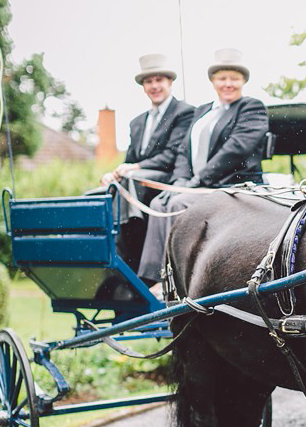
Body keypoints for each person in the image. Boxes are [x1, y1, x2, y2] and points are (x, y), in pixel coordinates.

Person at [137, 48, 269, 291]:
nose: (228, 83)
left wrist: (197, 180)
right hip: (198, 186)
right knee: (158, 204)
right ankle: (154, 277)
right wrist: (179, 181)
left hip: (231, 185)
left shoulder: (251, 108)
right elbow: (183, 152)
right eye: (222, 78)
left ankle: (176, 279)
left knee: (178, 204)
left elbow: (235, 150)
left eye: (234, 78)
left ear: (243, 81)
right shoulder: (203, 111)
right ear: (213, 81)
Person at [101, 54, 194, 269]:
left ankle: (127, 246)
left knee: (130, 181)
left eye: (159, 80)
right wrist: (114, 173)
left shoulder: (184, 113)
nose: (154, 86)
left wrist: (135, 168)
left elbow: (173, 155)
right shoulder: (137, 122)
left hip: (166, 179)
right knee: (105, 189)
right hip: (136, 182)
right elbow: (130, 160)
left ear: (170, 82)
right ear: (143, 86)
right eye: (149, 82)